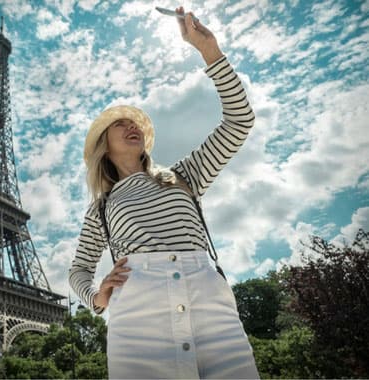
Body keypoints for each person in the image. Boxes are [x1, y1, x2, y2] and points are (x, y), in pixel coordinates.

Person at [68, 5, 261, 379]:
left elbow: (240, 120)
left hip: (210, 306)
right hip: (139, 317)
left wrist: (208, 50)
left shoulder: (184, 175)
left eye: (135, 122)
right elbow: (79, 268)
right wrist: (95, 296)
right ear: (103, 146)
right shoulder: (101, 208)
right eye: (119, 124)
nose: (131, 125)